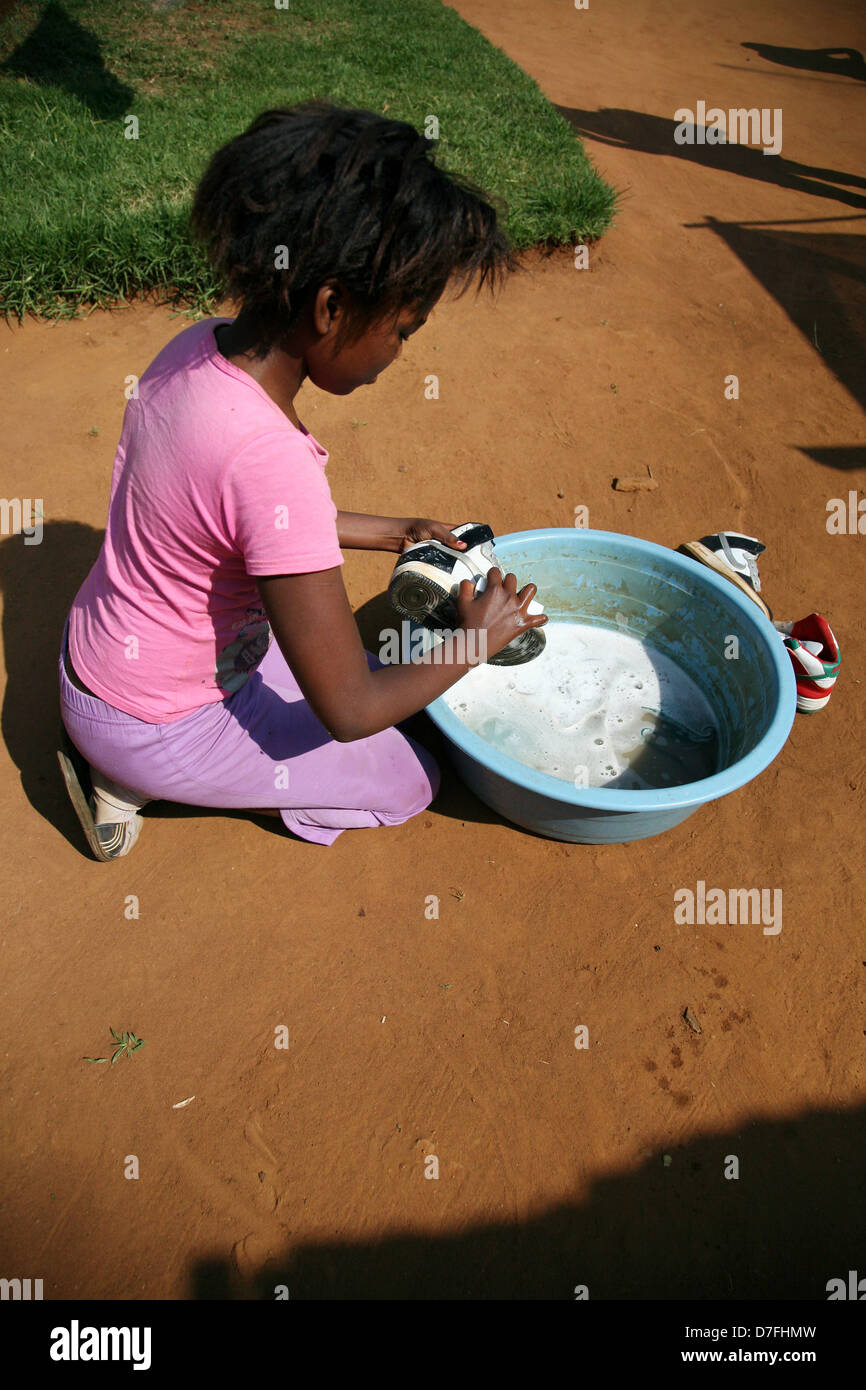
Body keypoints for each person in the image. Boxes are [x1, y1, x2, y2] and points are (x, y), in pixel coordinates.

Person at [58, 101, 547, 860]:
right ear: (331, 306)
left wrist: (387, 530)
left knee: (373, 664)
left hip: (100, 661)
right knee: (407, 774)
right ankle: (135, 782)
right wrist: (477, 642)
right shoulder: (270, 456)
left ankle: (137, 757)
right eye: (403, 330)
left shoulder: (195, 351)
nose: (399, 354)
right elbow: (350, 710)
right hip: (160, 722)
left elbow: (222, 508)